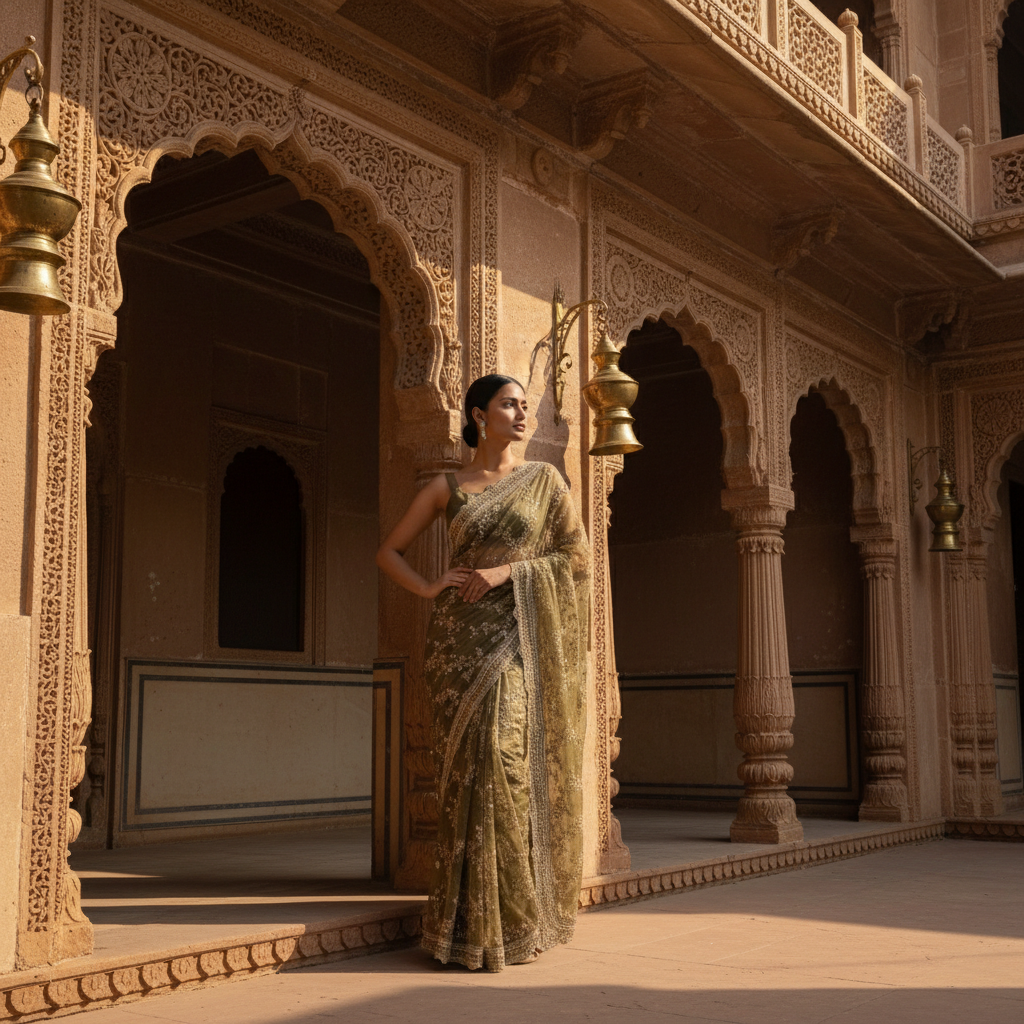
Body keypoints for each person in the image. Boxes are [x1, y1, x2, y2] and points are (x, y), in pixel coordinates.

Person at [376, 374, 590, 972]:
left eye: (524, 405)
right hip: (457, 644)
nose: (522, 414)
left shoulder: (544, 480)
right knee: (466, 774)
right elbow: (388, 551)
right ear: (478, 414)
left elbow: (576, 558)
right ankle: (463, 927)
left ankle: (513, 921)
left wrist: (506, 573)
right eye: (509, 405)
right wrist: (428, 587)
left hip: (517, 636)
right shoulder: (448, 487)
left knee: (504, 762)